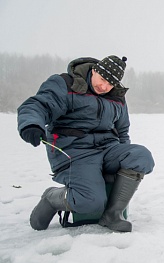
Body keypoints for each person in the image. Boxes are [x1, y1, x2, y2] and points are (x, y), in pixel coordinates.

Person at [17, 55, 155, 232]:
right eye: (103, 79)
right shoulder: (66, 84)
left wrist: (123, 162)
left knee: (141, 156)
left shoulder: (117, 97)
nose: (104, 87)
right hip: (74, 152)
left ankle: (112, 215)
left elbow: (122, 131)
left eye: (110, 84)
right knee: (89, 202)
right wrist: (31, 124)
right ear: (94, 70)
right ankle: (51, 198)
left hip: (107, 149)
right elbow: (38, 104)